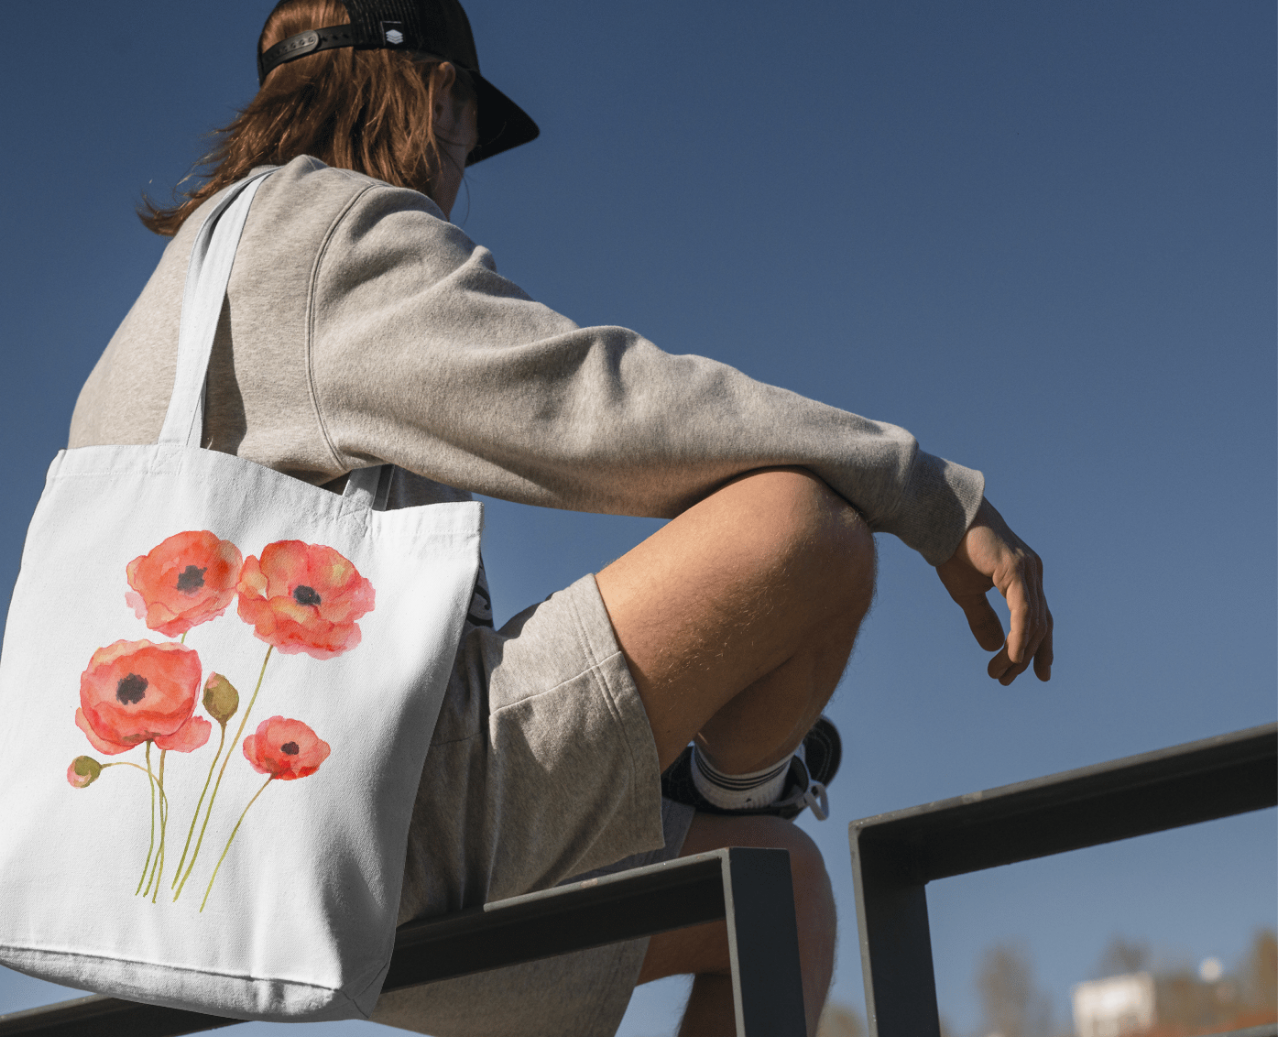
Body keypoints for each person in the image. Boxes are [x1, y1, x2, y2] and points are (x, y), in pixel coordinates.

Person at [69, 0, 1053, 1033]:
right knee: (805, 527)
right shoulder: (327, 236)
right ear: (437, 98)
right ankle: (741, 783)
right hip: (373, 833)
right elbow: (594, 406)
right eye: (466, 140)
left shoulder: (158, 311)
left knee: (779, 889)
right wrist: (928, 493)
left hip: (205, 864)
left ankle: (737, 796)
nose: (459, 173)